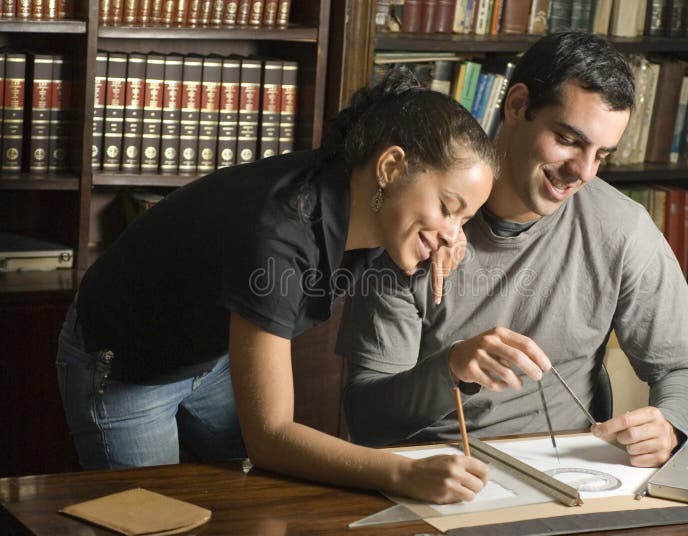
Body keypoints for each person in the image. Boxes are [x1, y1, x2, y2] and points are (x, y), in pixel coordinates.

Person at [56, 69, 497, 504]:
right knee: (154, 519)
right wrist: (403, 471)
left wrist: (430, 239)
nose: (453, 236)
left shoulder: (364, 197)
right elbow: (271, 439)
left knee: (255, 503)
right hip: (126, 365)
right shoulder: (280, 232)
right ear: (391, 166)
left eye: (464, 220)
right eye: (447, 208)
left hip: (211, 357)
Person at [337, 31, 688, 468]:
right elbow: (366, 419)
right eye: (569, 140)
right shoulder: (417, 223)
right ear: (517, 105)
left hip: (574, 474)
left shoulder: (623, 229)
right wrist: (452, 368)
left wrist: (669, 424)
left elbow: (686, 369)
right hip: (435, 474)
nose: (583, 172)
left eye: (601, 155)